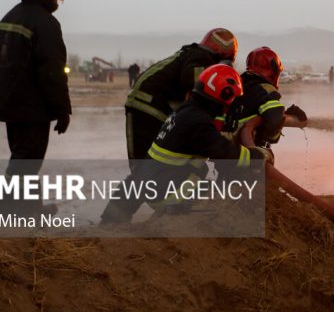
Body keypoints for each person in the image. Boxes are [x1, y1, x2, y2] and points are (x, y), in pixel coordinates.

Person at [101, 63, 267, 224]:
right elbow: (225, 152)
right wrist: (255, 156)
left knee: (198, 164)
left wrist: (110, 219)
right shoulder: (199, 122)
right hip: (167, 195)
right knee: (217, 185)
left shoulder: (185, 111)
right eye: (232, 100)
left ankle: (151, 216)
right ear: (224, 95)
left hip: (154, 188)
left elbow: (209, 139)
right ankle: (180, 216)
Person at [0, 0, 72, 182]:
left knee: (21, 158)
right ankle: (11, 202)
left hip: (10, 107)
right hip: (32, 110)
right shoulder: (46, 23)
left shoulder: (9, 17)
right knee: (25, 165)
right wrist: (62, 110)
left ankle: (25, 201)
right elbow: (52, 73)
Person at [124, 28, 238, 164]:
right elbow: (198, 86)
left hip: (148, 103)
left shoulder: (193, 53)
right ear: (222, 53)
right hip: (150, 105)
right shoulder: (202, 57)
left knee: (149, 161)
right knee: (146, 162)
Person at [225, 46, 307, 164]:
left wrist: (284, 114)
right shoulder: (266, 90)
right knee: (267, 158)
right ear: (273, 70)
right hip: (247, 155)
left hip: (224, 151)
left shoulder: (238, 85)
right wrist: (268, 137)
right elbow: (274, 120)